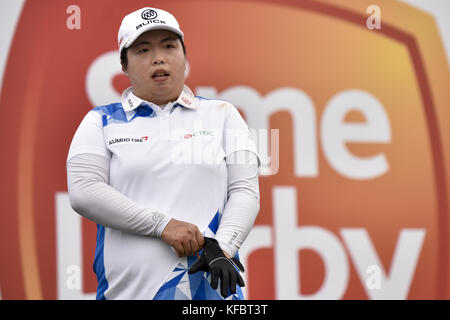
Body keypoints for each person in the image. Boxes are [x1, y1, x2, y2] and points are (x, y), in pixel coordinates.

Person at [66, 7, 260, 300]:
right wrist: (162, 225)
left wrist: (224, 248)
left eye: (169, 46)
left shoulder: (223, 114)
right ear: (124, 65)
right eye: (143, 50)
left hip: (209, 295)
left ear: (184, 56)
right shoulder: (99, 120)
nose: (158, 58)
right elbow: (84, 191)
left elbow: (245, 190)